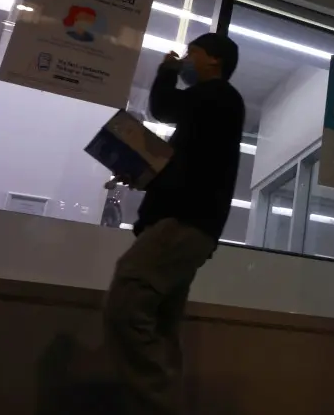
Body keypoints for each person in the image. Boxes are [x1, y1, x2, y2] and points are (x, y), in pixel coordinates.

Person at [104, 34, 245, 414]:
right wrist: (144, 173)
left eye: (191, 54)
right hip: (192, 223)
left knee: (127, 301)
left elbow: (163, 107)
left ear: (213, 61)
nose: (184, 60)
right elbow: (188, 166)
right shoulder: (212, 108)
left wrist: (166, 72)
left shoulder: (218, 96)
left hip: (182, 221)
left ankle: (153, 404)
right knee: (162, 324)